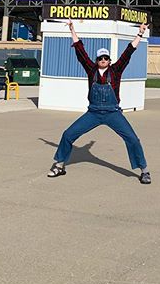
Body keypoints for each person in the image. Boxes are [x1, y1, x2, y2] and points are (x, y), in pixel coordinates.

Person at [47, 19, 151, 184]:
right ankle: (59, 165)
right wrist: (72, 30)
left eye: (106, 57)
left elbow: (129, 51)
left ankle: (144, 170)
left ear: (109, 60)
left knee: (132, 139)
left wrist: (140, 33)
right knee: (68, 135)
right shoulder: (91, 69)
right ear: (96, 60)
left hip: (112, 113)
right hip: (93, 113)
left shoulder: (116, 70)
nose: (103, 60)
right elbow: (80, 51)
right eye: (100, 58)